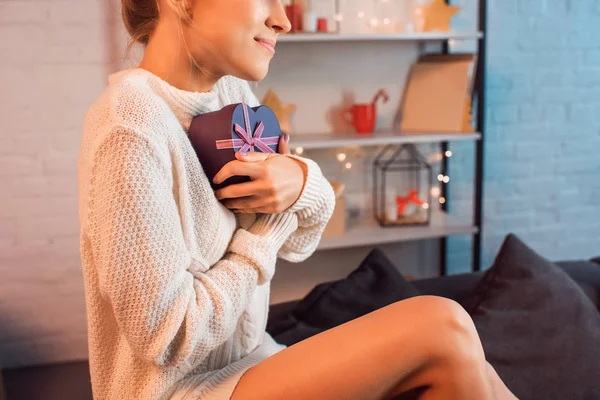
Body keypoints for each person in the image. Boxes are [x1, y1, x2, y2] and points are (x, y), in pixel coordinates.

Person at [77, 0, 518, 399]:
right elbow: (169, 339)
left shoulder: (229, 95)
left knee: (463, 351)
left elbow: (302, 239)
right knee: (441, 325)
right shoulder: (130, 126)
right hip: (179, 392)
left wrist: (300, 181)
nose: (283, 20)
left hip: (255, 364)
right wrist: (266, 234)